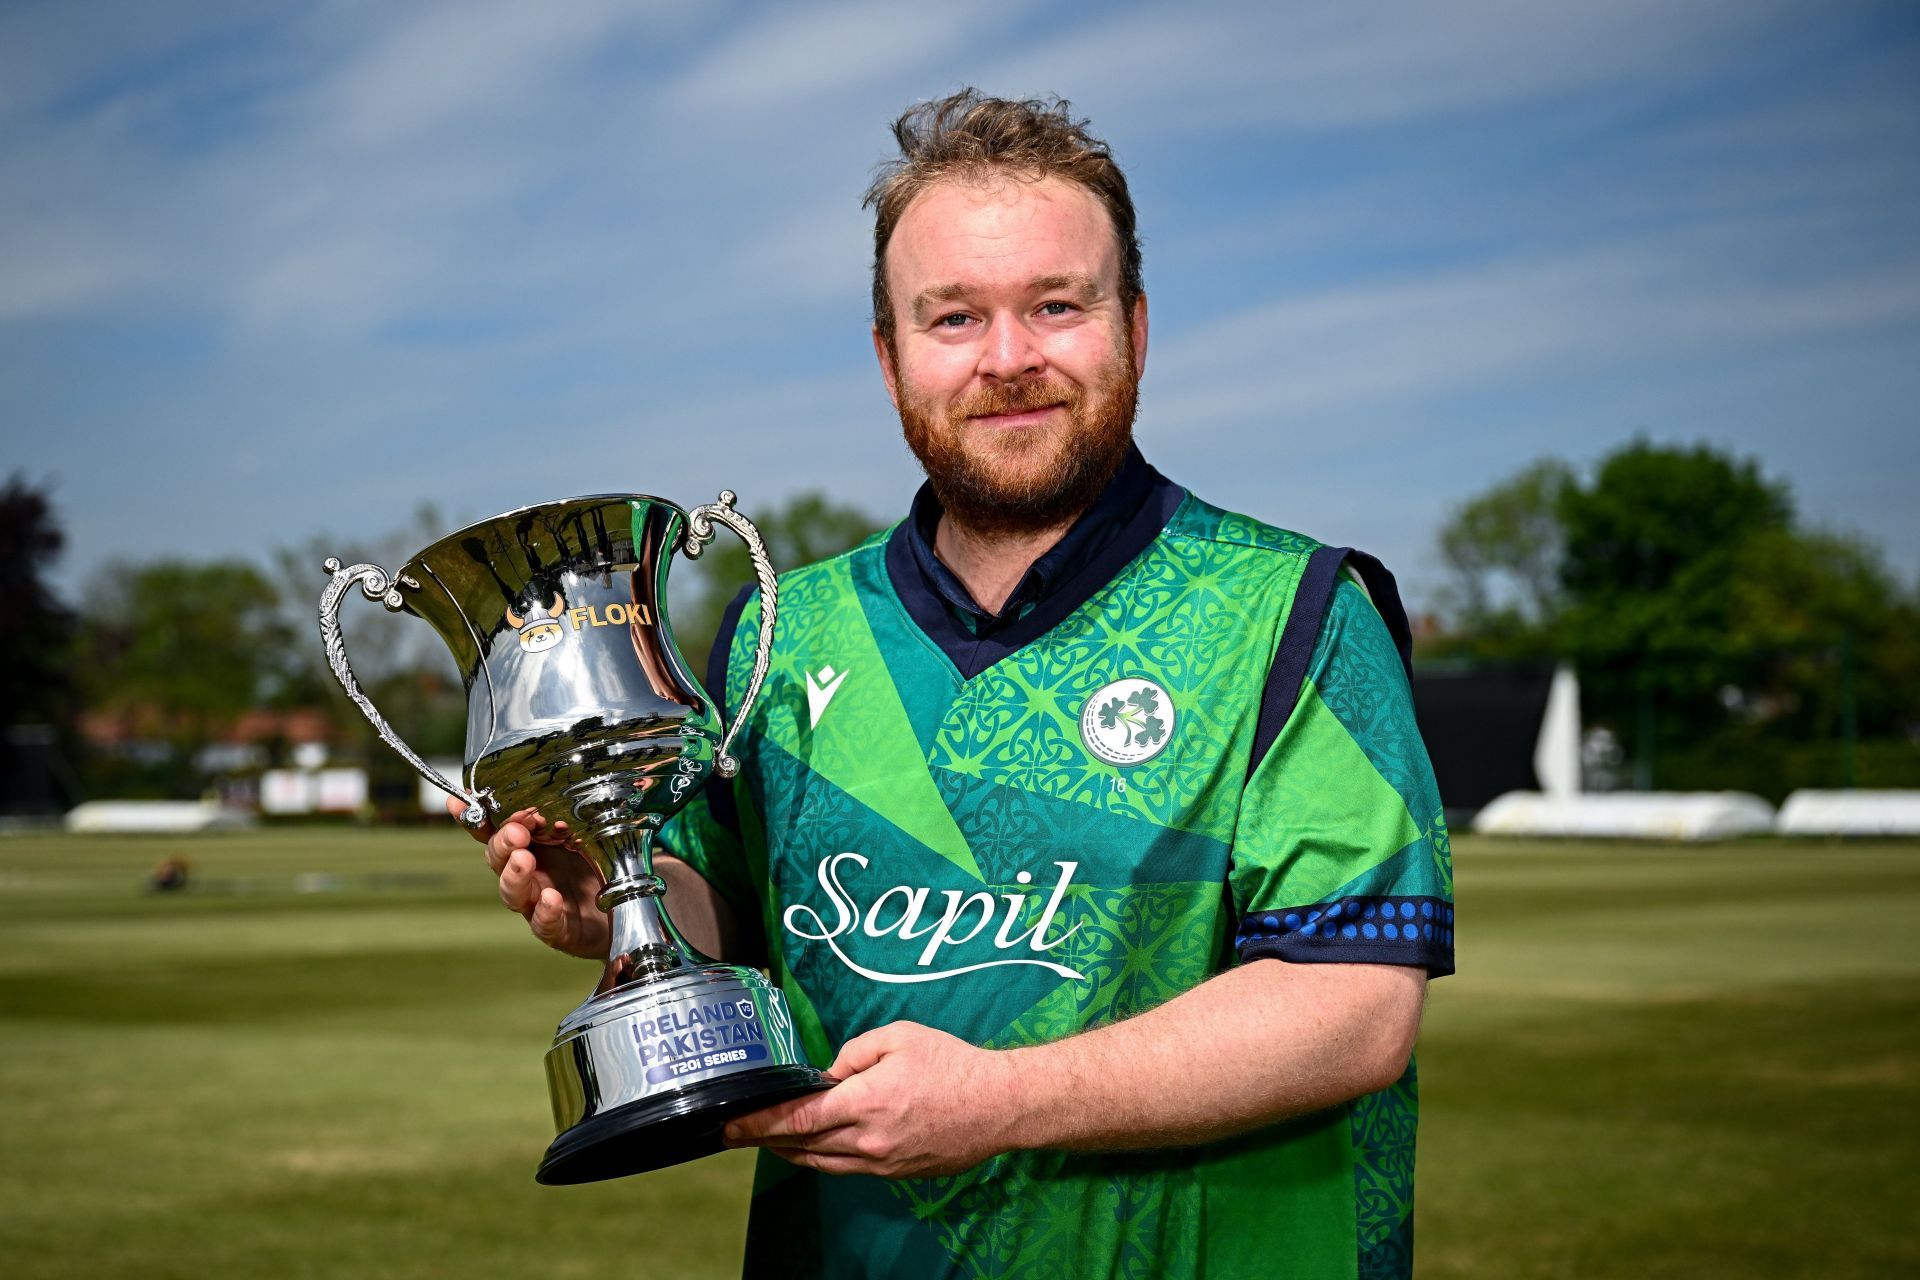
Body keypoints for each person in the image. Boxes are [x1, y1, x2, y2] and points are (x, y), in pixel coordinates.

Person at [463, 90, 1454, 1280]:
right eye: (953, 317)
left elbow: (1354, 1010)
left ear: (1133, 324)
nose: (1009, 357)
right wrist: (615, 904)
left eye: (1057, 305)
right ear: (889, 359)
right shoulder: (780, 630)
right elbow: (732, 914)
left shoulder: (1296, 611)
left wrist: (999, 1098)